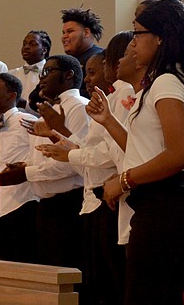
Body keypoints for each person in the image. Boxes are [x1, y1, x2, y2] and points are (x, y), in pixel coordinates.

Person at [88, 0, 184, 305]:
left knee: (145, 297)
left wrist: (123, 181)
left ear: (160, 38)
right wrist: (110, 122)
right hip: (158, 202)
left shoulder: (167, 81)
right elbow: (145, 150)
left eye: (138, 33)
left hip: (166, 202)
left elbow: (181, 154)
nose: (132, 43)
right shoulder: (161, 82)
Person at [38, 32, 135, 305]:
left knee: (110, 282)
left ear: (114, 63)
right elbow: (91, 144)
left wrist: (72, 155)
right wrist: (64, 143)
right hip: (95, 197)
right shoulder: (109, 98)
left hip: (110, 195)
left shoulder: (123, 95)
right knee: (95, 279)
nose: (90, 78)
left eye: (96, 70)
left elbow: (110, 151)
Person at [0, 55, 87, 271]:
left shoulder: (78, 106)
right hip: (48, 204)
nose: (41, 77)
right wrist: (24, 166)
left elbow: (76, 161)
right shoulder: (47, 112)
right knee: (46, 276)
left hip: (69, 203)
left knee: (67, 276)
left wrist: (27, 173)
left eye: (48, 71)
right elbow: (42, 155)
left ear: (68, 75)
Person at [0, 73, 41, 263]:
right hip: (3, 203)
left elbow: (39, 155)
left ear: (12, 95)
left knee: (23, 259)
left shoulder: (26, 121)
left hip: (24, 201)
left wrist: (22, 167)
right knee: (6, 259)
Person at [61, 7, 104, 97]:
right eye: (63, 33)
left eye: (70, 31)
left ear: (86, 32)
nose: (64, 36)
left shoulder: (100, 58)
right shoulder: (65, 61)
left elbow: (97, 93)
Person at [6, 30, 50, 111]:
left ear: (44, 50)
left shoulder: (50, 74)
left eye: (32, 44)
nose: (26, 47)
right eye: (24, 44)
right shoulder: (11, 74)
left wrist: (24, 104)